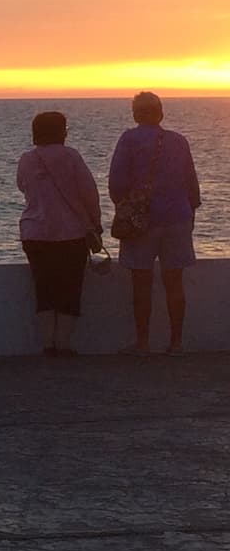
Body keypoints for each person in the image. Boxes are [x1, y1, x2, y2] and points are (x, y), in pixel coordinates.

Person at [110, 92, 202, 356]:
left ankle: (142, 343)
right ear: (160, 112)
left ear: (136, 114)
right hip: (178, 218)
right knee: (174, 282)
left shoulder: (129, 140)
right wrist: (190, 214)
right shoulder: (178, 141)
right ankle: (176, 343)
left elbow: (116, 183)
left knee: (141, 281)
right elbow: (191, 184)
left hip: (142, 222)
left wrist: (126, 208)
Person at [16, 111, 103, 357]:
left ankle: (47, 344)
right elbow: (89, 193)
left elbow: (22, 186)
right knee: (70, 287)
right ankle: (63, 343)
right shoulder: (71, 157)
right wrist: (95, 225)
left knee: (44, 288)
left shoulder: (27, 159)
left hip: (35, 232)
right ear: (61, 131)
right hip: (71, 232)